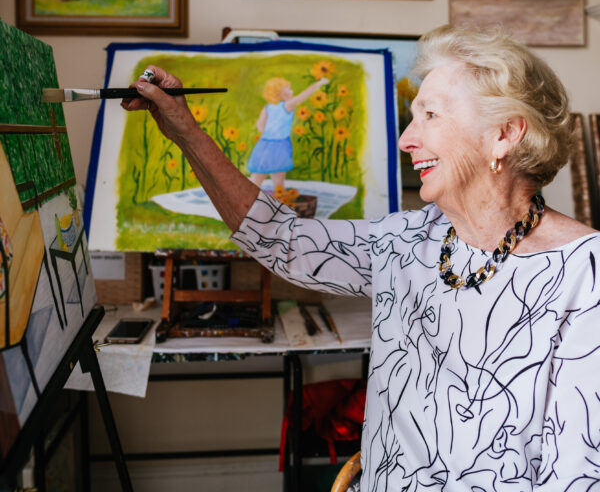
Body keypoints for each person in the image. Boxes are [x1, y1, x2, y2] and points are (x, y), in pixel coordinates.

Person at [122, 25, 600, 490]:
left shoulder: (584, 272)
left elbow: (576, 475)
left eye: (430, 115)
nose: (406, 140)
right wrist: (185, 131)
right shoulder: (407, 241)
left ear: (504, 134)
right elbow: (280, 238)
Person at [247, 76, 329, 190]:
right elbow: (303, 96)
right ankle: (279, 200)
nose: (292, 91)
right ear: (281, 94)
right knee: (279, 182)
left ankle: (248, 201)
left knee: (257, 178)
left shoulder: (267, 107)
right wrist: (319, 83)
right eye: (289, 90)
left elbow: (260, 126)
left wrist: (270, 131)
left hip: (264, 144)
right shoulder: (287, 105)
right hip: (280, 145)